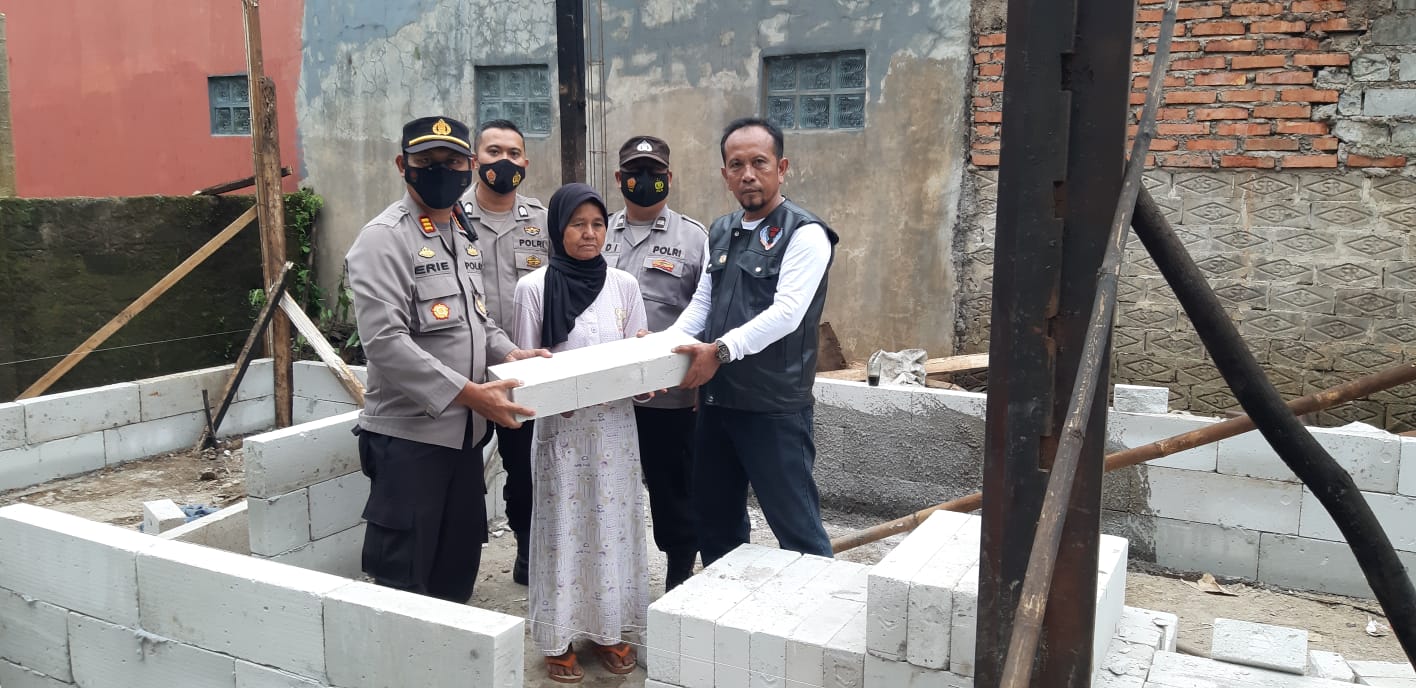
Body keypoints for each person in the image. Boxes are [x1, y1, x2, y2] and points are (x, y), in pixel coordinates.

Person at [344, 115, 550, 603]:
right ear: (403, 165)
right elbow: (386, 343)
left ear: (468, 166)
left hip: (464, 441)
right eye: (427, 160)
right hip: (410, 441)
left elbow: (477, 321)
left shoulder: (460, 232)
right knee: (406, 586)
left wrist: (511, 352)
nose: (442, 169)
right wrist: (472, 395)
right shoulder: (383, 238)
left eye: (452, 161)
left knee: (456, 576)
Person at [668, 117, 840, 567]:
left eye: (759, 163)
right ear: (724, 173)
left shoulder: (805, 233)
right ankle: (725, 601)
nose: (748, 174)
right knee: (716, 523)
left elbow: (787, 313)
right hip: (717, 404)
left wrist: (720, 350)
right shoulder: (721, 230)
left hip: (773, 409)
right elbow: (703, 303)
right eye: (736, 164)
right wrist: (664, 347)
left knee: (797, 528)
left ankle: (814, 606)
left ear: (781, 168)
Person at [511, 183, 649, 684]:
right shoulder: (533, 289)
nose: (589, 234)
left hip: (615, 431)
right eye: (577, 224)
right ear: (557, 229)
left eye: (597, 224)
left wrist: (648, 372)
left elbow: (639, 361)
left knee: (612, 527)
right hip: (563, 436)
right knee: (563, 530)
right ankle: (558, 637)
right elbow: (525, 371)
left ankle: (608, 629)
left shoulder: (624, 286)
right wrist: (553, 397)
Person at [603, 135, 706, 591]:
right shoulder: (597, 230)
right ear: (618, 178)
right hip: (607, 394)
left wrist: (702, 383)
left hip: (670, 396)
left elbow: (708, 311)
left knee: (673, 489)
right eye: (634, 172)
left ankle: (679, 571)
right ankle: (608, 575)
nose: (644, 180)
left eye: (654, 173)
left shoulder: (694, 238)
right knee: (607, 488)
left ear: (669, 177)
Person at [458, 119, 550, 585]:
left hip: (522, 373)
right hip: (464, 372)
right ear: (476, 159)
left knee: (524, 469)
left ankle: (526, 549)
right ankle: (459, 558)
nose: (505, 161)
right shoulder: (450, 216)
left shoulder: (542, 221)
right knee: (460, 469)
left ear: (525, 162)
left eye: (514, 153)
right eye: (494, 152)